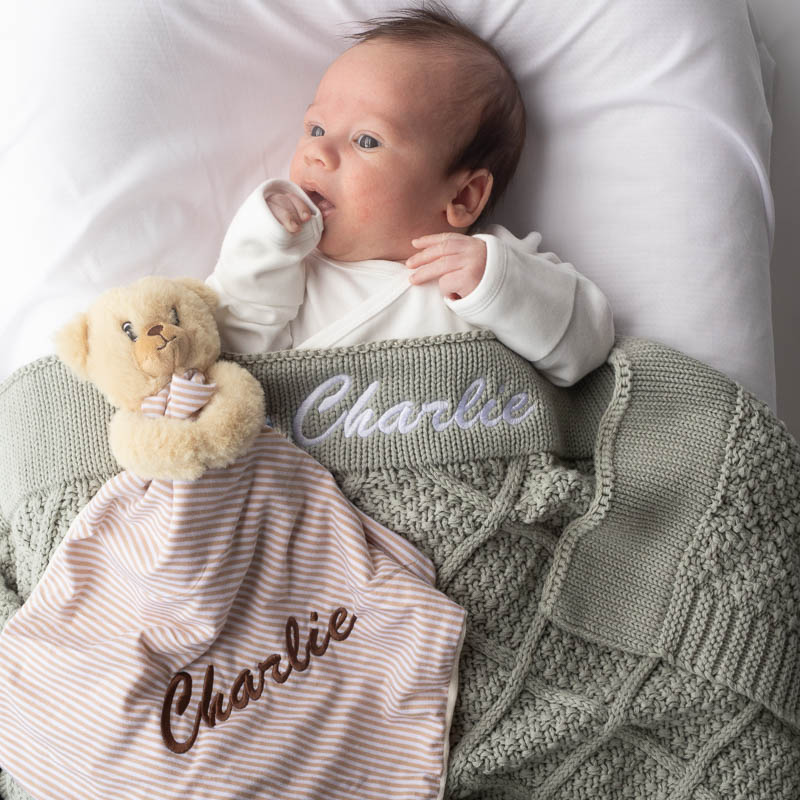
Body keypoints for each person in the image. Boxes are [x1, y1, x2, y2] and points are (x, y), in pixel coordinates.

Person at [206, 6, 614, 387]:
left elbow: (586, 348)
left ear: (464, 197)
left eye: (366, 140)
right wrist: (263, 244)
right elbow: (232, 351)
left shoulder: (488, 267)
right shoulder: (294, 273)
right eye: (315, 129)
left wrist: (497, 283)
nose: (318, 152)